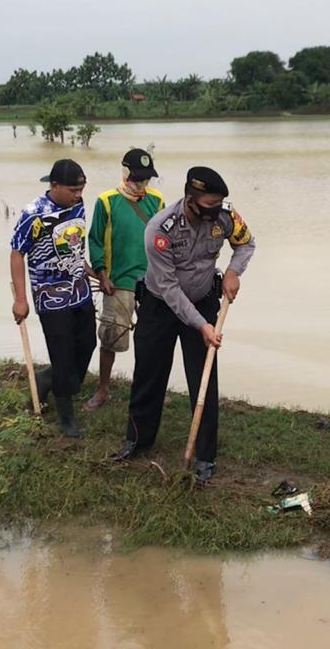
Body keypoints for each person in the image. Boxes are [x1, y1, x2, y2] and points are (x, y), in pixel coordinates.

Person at [111, 166, 255, 483]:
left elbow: (246, 244)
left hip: (203, 297)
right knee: (148, 373)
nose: (214, 213)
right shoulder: (160, 229)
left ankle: (205, 456)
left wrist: (233, 271)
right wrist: (202, 325)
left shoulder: (226, 217)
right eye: (208, 206)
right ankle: (137, 440)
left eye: (218, 205)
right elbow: (169, 289)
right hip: (159, 303)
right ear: (190, 199)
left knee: (203, 379)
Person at [9, 159, 96, 437]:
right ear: (54, 185)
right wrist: (21, 299)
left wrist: (93, 273)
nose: (78, 195)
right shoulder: (34, 214)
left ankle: (49, 379)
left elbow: (75, 247)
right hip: (50, 296)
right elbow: (16, 254)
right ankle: (65, 416)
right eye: (73, 190)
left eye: (81, 189)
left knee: (87, 344)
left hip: (79, 290)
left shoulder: (78, 205)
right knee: (62, 353)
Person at [84, 148, 165, 409]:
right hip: (118, 282)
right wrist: (101, 273)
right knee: (110, 338)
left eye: (146, 179)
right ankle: (103, 389)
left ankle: (146, 388)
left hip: (151, 284)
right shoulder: (106, 201)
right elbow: (95, 240)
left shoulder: (157, 201)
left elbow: (163, 241)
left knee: (151, 339)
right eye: (137, 178)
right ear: (125, 172)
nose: (142, 184)